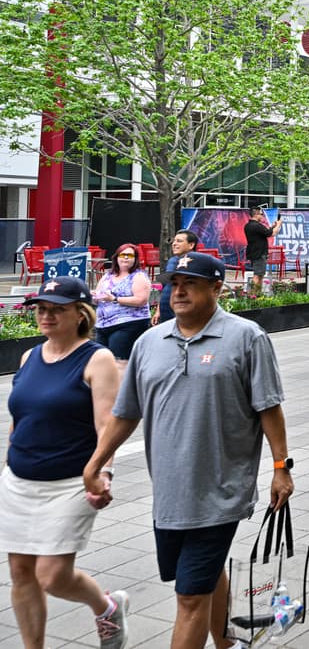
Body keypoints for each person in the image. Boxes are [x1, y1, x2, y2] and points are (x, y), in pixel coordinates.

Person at [83, 252, 294, 648]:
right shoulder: (150, 341)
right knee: (204, 574)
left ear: (217, 287)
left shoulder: (247, 337)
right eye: (173, 283)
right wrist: (96, 462)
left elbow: (268, 405)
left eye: (190, 283)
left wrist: (281, 467)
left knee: (190, 596)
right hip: (170, 491)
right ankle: (227, 642)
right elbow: (127, 413)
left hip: (221, 488)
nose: (178, 291)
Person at [2, 277, 129, 649]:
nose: (46, 315)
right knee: (20, 572)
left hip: (71, 482)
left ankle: (106, 607)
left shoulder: (97, 358)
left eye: (57, 309)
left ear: (80, 314)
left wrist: (103, 473)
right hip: (19, 481)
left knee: (52, 575)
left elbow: (107, 425)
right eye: (42, 308)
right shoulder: (30, 356)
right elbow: (21, 416)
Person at [92, 242, 153, 370]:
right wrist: (94, 296)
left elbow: (141, 300)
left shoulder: (138, 276)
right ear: (116, 257)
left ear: (135, 259)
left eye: (130, 256)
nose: (126, 258)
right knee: (101, 362)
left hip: (128, 324)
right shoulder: (107, 276)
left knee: (118, 363)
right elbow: (98, 295)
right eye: (123, 255)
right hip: (103, 325)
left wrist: (114, 299)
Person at [157, 229, 199, 323]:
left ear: (191, 245)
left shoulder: (198, 263)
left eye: (179, 241)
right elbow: (166, 288)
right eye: (174, 241)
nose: (174, 244)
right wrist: (158, 310)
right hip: (166, 315)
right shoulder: (172, 261)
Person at [242, 207, 281, 284]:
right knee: (257, 275)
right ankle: (254, 294)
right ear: (256, 214)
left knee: (260, 275)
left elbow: (265, 232)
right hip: (259, 254)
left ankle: (257, 293)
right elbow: (272, 234)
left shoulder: (248, 225)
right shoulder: (256, 226)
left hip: (255, 252)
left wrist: (272, 227)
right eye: (261, 214)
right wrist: (278, 225)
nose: (262, 216)